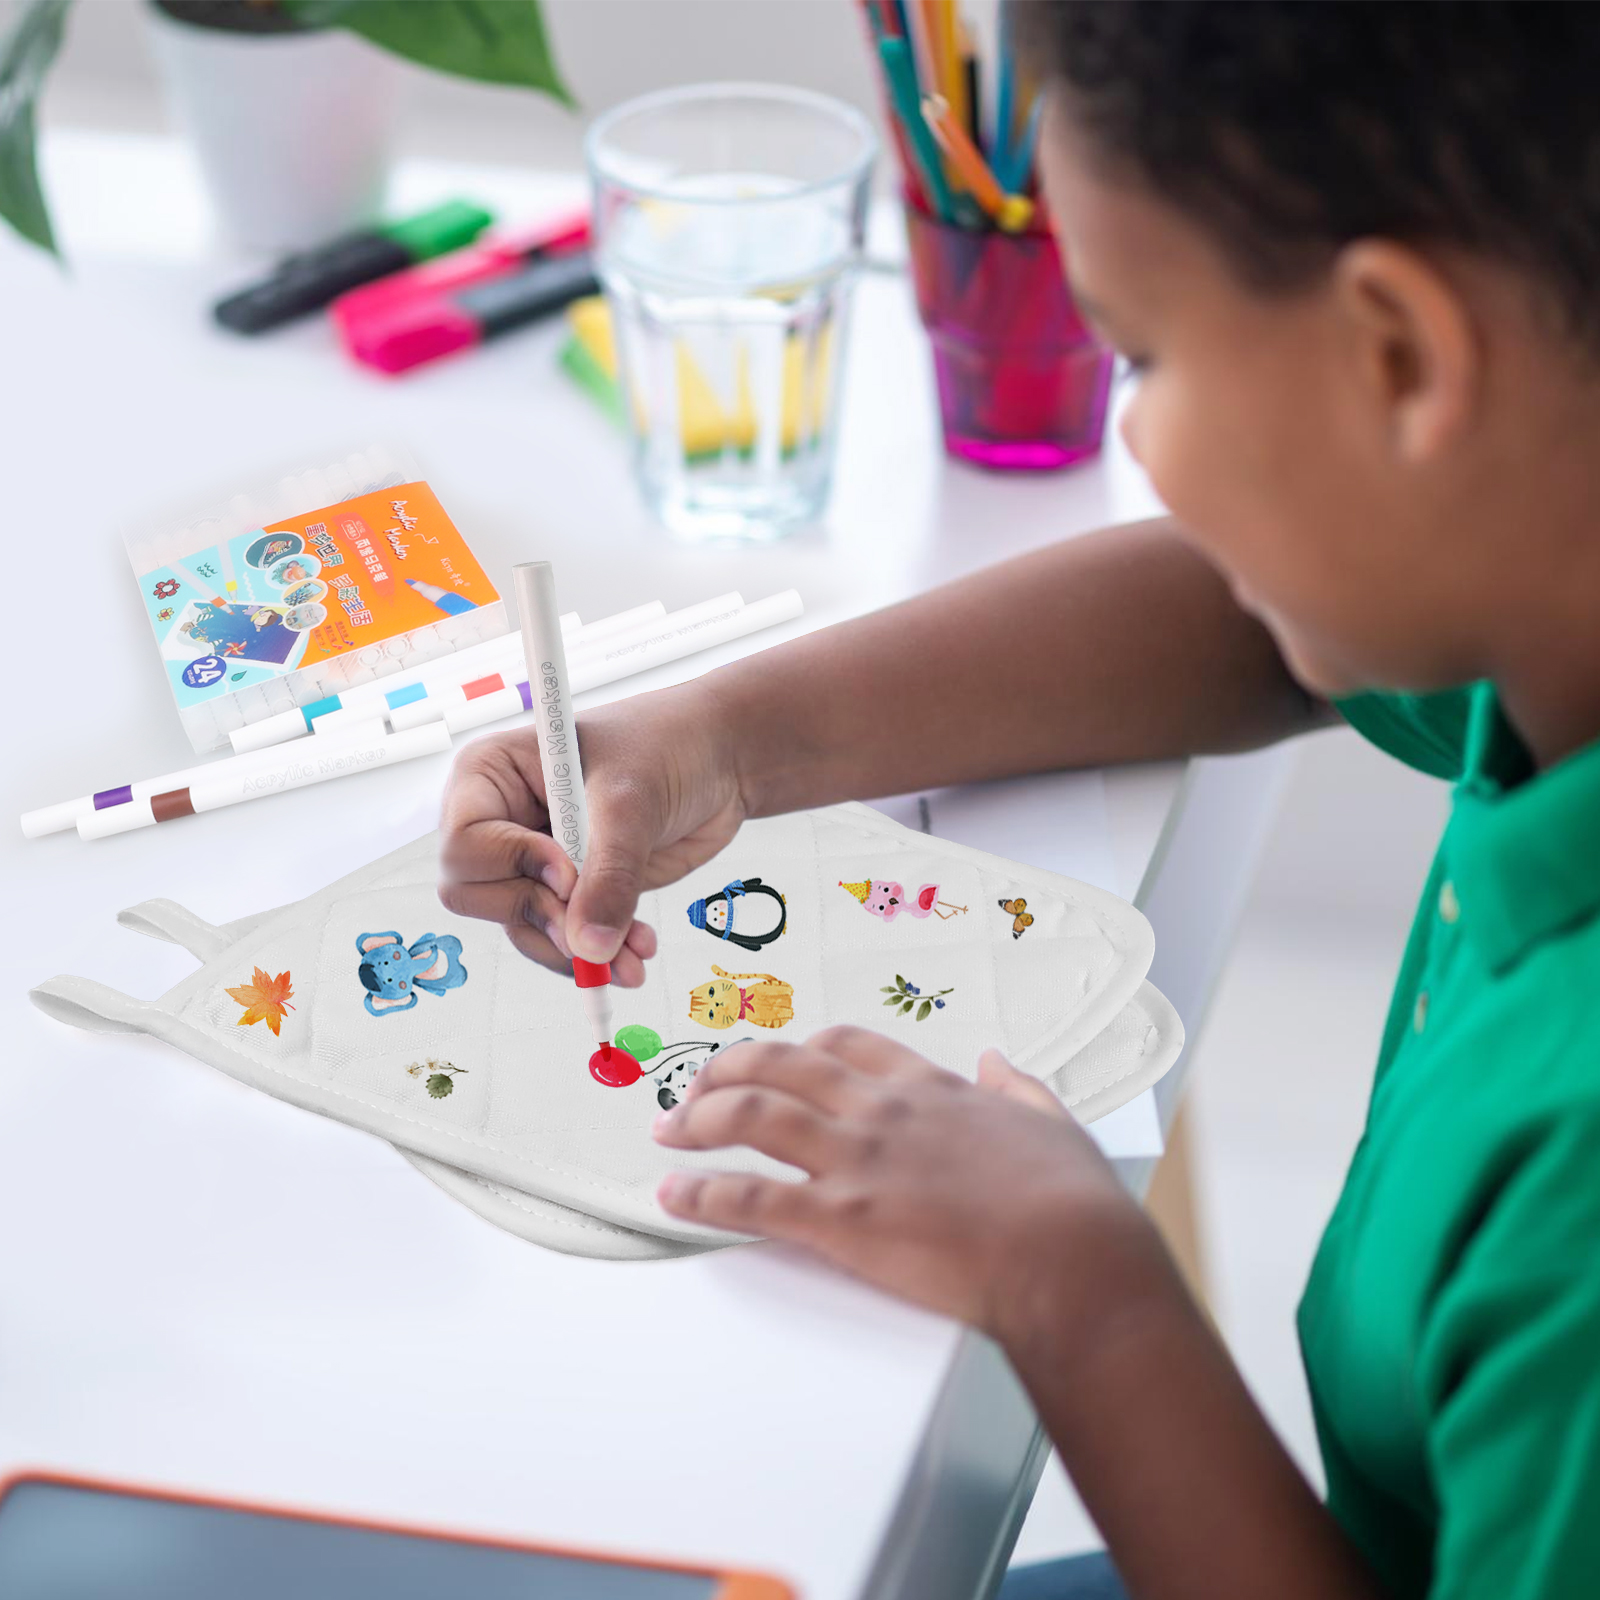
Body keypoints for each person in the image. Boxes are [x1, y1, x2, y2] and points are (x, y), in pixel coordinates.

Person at [439, 5, 1600, 1594]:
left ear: (1399, 359)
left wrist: (1078, 1286)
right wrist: (724, 737)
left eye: (1147, 355)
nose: (1134, 434)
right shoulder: (1542, 572)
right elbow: (1238, 623)